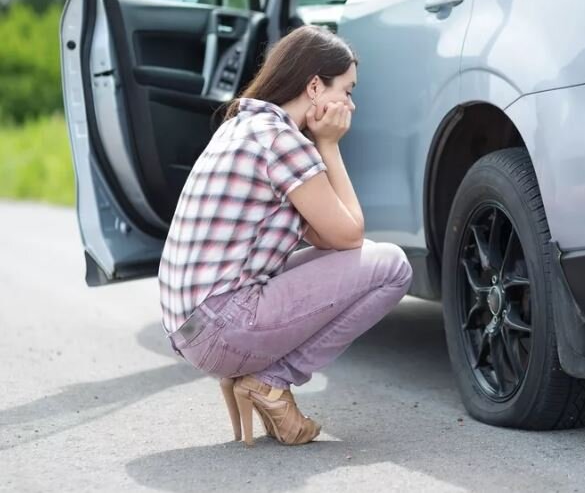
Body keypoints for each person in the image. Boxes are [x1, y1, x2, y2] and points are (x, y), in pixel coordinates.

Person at [158, 25, 413, 446]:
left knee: (363, 258)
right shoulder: (282, 141)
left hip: (191, 326)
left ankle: (255, 377)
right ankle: (270, 379)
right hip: (221, 326)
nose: (351, 103)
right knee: (392, 266)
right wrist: (329, 145)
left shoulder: (242, 125)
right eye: (346, 90)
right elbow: (350, 234)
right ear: (315, 86)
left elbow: (328, 239)